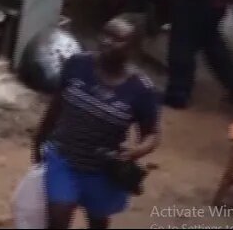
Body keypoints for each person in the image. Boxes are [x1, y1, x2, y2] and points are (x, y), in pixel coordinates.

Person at [33, 16, 161, 229]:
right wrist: (39, 139)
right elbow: (56, 105)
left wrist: (135, 151)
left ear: (133, 48)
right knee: (57, 217)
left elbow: (153, 134)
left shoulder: (140, 90)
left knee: (98, 221)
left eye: (117, 39)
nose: (106, 41)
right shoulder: (77, 64)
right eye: (105, 34)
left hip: (103, 170)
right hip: (64, 158)